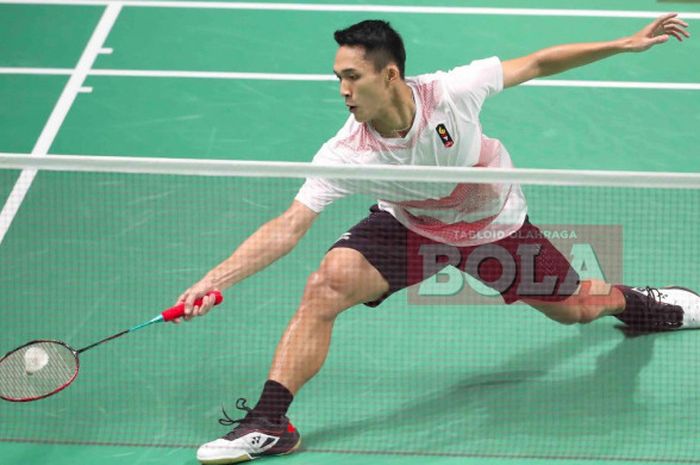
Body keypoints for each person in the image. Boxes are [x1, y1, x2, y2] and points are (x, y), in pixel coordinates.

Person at [178, 15, 693, 464]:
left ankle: (636, 302)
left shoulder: (452, 92)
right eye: (338, 79)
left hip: (493, 228)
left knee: (576, 308)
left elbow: (536, 62)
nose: (343, 91)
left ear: (391, 75)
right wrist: (212, 280)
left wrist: (623, 44)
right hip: (412, 227)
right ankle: (270, 423)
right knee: (326, 285)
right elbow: (289, 226)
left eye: (353, 78)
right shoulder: (345, 152)